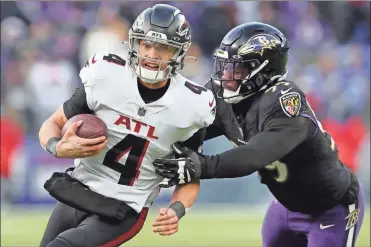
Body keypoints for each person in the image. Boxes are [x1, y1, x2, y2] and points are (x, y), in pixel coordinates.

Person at [154, 22, 365, 247]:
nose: (226, 75)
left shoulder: (284, 100)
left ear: (264, 71)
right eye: (225, 66)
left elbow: (256, 154)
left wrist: (201, 166)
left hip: (330, 209)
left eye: (237, 68)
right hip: (285, 206)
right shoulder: (221, 94)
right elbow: (186, 134)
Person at [38, 4, 215, 247]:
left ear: (179, 52)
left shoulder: (192, 105)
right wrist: (58, 147)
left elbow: (191, 172)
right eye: (146, 44)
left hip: (123, 208)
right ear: (134, 44)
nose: (152, 55)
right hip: (78, 191)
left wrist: (178, 208)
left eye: (163, 47)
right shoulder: (106, 76)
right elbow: (53, 123)